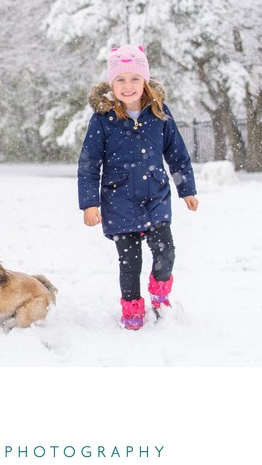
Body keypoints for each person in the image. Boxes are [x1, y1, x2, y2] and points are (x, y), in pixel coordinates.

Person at [77, 44, 198, 330]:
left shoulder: (159, 113)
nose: (128, 86)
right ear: (111, 84)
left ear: (145, 81)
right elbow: (89, 164)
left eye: (134, 79)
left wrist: (187, 189)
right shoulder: (103, 119)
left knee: (165, 251)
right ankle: (131, 308)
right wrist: (89, 203)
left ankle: (160, 295)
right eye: (120, 79)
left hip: (155, 197)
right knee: (130, 262)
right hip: (119, 201)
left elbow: (177, 155)